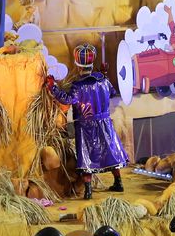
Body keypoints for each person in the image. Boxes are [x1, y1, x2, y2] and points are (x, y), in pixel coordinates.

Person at [45, 44, 129, 199]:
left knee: (87, 156)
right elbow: (112, 92)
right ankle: (118, 182)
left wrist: (53, 88)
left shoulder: (78, 86)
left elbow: (68, 99)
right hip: (104, 123)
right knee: (111, 153)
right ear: (92, 65)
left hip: (86, 126)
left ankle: (88, 191)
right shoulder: (103, 80)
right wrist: (104, 74)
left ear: (78, 67)